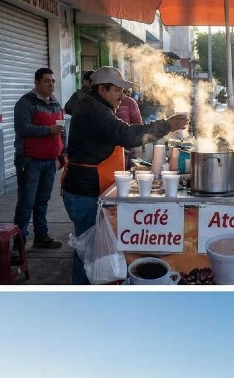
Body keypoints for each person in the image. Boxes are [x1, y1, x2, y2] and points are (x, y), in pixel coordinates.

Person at [61, 66, 187, 284]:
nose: (122, 96)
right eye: (118, 90)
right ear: (102, 89)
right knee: (88, 250)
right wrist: (166, 125)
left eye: (124, 91)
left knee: (91, 247)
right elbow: (127, 134)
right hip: (85, 190)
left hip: (88, 187)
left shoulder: (96, 105)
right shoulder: (95, 111)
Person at [13, 68, 66, 249]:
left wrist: (62, 152)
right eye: (46, 81)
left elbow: (61, 130)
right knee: (26, 202)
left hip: (50, 161)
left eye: (52, 81)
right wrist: (48, 130)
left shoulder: (55, 103)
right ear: (36, 83)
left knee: (42, 201)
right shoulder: (26, 103)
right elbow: (22, 128)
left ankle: (41, 237)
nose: (51, 85)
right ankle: (18, 245)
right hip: (30, 161)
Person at [117, 89, 145, 169]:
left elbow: (138, 123)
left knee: (126, 171)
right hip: (110, 148)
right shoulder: (104, 104)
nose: (120, 94)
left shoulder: (130, 102)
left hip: (126, 144)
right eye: (117, 90)